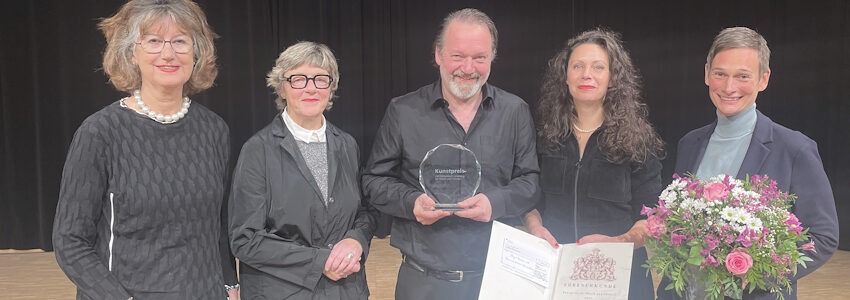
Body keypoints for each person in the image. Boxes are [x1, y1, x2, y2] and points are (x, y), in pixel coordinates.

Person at [52, 0, 238, 299]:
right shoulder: (100, 132)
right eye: (153, 41)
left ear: (197, 52)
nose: (168, 53)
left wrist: (230, 284)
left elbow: (219, 224)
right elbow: (70, 241)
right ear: (131, 53)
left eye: (180, 41)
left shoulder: (215, 130)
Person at [361, 8, 539, 300]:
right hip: (422, 282)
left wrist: (495, 203)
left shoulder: (515, 111)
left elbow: (530, 182)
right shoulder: (403, 111)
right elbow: (374, 181)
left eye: (479, 57)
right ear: (438, 55)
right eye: (458, 56)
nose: (468, 68)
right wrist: (411, 203)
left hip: (496, 281)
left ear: (492, 58)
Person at [657, 27, 839, 300]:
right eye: (720, 74)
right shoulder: (689, 143)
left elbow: (823, 238)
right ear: (706, 73)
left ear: (763, 79)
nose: (729, 87)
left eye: (742, 76)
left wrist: (758, 274)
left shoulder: (795, 149)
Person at [522, 28, 665, 300]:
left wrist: (618, 244)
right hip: (556, 276)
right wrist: (534, 227)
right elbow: (530, 199)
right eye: (578, 66)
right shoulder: (544, 136)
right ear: (565, 76)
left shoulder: (638, 140)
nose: (587, 74)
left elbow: (652, 217)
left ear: (612, 78)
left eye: (598, 67)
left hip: (620, 279)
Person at [229, 41, 378, 300]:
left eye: (321, 79)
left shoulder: (347, 145)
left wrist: (356, 240)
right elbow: (245, 239)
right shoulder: (257, 150)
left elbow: (365, 212)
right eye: (298, 79)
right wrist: (320, 261)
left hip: (346, 292)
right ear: (282, 87)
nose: (311, 88)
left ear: (331, 87)